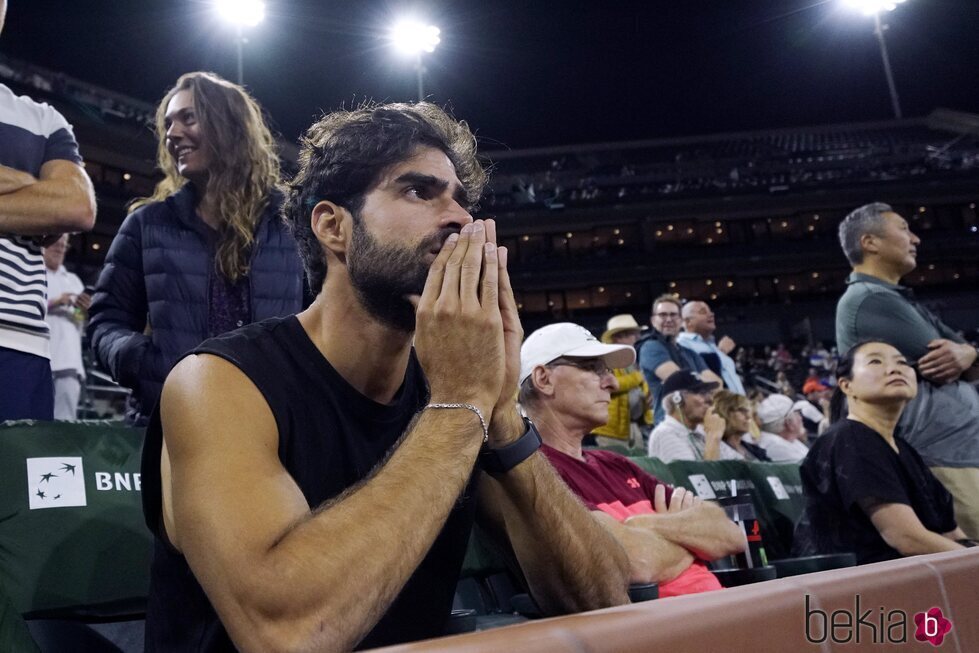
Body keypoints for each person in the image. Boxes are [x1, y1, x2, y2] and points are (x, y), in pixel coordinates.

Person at [140, 102, 631, 652]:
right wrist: (462, 401)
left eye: (461, 200)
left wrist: (498, 415)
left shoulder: (452, 392)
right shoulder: (219, 383)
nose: (460, 220)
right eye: (419, 192)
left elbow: (604, 601)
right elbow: (290, 634)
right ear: (333, 226)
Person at [88, 72, 303, 423]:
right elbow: (105, 322)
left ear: (230, 126)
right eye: (168, 123)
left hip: (272, 422)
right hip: (175, 423)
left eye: (189, 118)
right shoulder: (146, 225)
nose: (172, 134)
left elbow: (323, 318)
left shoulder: (292, 223)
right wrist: (145, 364)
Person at [518, 322, 744, 597]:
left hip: (720, 610)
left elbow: (730, 534)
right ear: (544, 379)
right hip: (663, 628)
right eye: (593, 368)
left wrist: (644, 525)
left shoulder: (616, 463)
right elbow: (636, 563)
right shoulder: (536, 471)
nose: (612, 382)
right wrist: (691, 541)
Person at [835, 202, 979, 538]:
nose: (915, 238)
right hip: (943, 460)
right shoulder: (869, 298)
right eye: (903, 228)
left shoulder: (895, 298)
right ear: (870, 242)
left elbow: (965, 360)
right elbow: (950, 362)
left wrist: (969, 352)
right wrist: (967, 355)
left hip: (958, 455)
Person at [0, 0, 96, 421]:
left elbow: (77, 206)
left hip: (21, 346)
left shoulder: (44, 119)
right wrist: (34, 188)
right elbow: (56, 200)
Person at [793, 341, 970, 564]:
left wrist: (970, 553)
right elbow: (906, 539)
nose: (895, 368)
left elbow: (952, 534)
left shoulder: (905, 450)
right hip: (862, 589)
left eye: (902, 363)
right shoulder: (850, 440)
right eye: (875, 361)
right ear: (847, 385)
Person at [637, 294, 722, 424]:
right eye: (663, 315)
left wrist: (693, 379)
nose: (669, 319)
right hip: (669, 422)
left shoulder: (689, 352)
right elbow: (680, 381)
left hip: (696, 422)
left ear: (682, 321)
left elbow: (717, 384)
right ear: (653, 321)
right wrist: (700, 380)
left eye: (673, 315)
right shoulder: (650, 347)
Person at [43, 235, 89, 419]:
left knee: (64, 424)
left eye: (64, 245)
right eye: (56, 244)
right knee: (33, 422)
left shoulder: (74, 281)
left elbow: (80, 320)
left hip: (69, 362)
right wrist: (55, 302)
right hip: (40, 358)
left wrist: (83, 310)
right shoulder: (34, 274)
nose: (60, 249)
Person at [591, 314, 651, 448]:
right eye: (632, 334)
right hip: (612, 430)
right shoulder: (604, 359)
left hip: (633, 426)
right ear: (618, 337)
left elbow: (641, 386)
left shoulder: (631, 360)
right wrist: (638, 377)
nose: (637, 338)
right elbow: (611, 385)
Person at [646, 369, 734, 462]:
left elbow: (741, 465)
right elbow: (698, 476)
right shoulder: (664, 434)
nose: (710, 399)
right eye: (701, 393)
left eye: (709, 393)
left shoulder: (700, 432)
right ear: (678, 399)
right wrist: (713, 437)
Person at [676, 300, 745, 394]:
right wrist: (722, 352)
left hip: (737, 404)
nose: (711, 315)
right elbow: (696, 375)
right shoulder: (681, 344)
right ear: (688, 322)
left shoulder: (713, 345)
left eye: (710, 311)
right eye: (703, 312)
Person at [710, 390, 770, 461]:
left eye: (748, 411)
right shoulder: (715, 448)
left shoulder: (756, 450)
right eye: (742, 411)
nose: (748, 416)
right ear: (725, 413)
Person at [753, 394, 810, 463]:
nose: (800, 418)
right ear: (789, 423)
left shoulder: (789, 441)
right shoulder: (777, 447)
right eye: (796, 413)